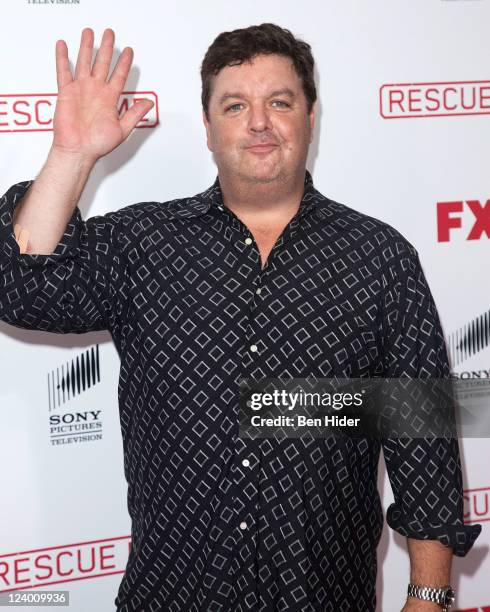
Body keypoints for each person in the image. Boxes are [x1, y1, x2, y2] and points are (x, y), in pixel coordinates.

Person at [0, 23, 482, 612]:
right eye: (235, 105)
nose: (258, 122)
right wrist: (71, 155)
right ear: (208, 128)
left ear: (310, 117)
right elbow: (20, 288)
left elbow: (423, 441)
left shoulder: (379, 258)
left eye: (279, 102)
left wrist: (429, 596)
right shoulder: (144, 245)